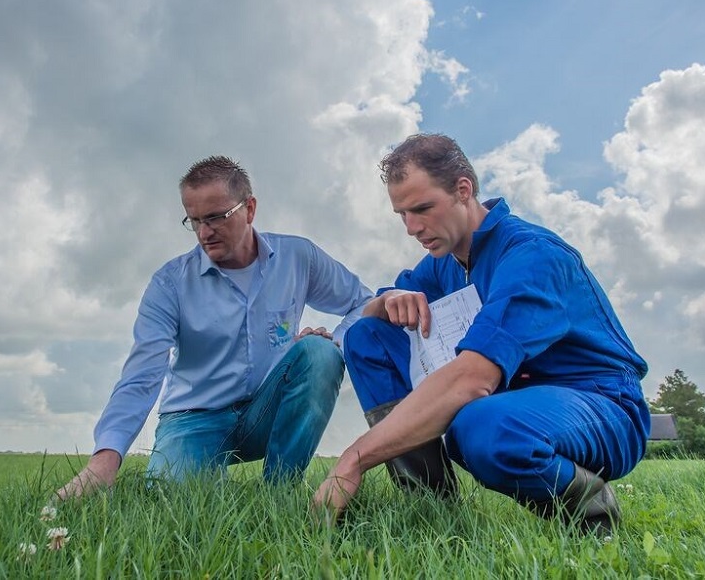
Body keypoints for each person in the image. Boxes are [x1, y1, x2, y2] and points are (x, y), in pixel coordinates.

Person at [313, 133, 650, 534]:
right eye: (401, 214)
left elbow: (473, 380)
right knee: (367, 335)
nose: (412, 228)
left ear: (463, 190)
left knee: (480, 428)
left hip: (597, 403)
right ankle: (431, 509)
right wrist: (389, 299)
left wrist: (354, 459)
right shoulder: (445, 260)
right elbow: (372, 310)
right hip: (515, 396)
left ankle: (593, 517)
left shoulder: (531, 254)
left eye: (422, 208)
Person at [57, 155, 373, 498]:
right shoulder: (169, 285)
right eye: (194, 221)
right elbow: (142, 374)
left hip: (264, 411)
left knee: (319, 353)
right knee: (171, 502)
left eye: (215, 218)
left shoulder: (298, 257)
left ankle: (279, 495)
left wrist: (336, 339)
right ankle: (198, 471)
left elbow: (364, 302)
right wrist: (106, 458)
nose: (204, 233)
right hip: (194, 420)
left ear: (249, 209)